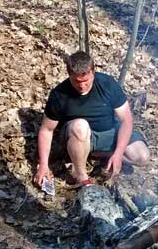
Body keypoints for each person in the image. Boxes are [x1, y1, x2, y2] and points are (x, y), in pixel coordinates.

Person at [34, 52, 150, 188]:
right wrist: (43, 165)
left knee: (142, 156)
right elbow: (47, 130)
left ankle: (100, 156)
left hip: (108, 131)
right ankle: (81, 176)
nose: (82, 86)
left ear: (93, 72)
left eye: (85, 81)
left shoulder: (107, 84)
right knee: (80, 126)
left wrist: (118, 153)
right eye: (76, 81)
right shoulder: (59, 95)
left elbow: (126, 120)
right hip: (77, 135)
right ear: (69, 75)